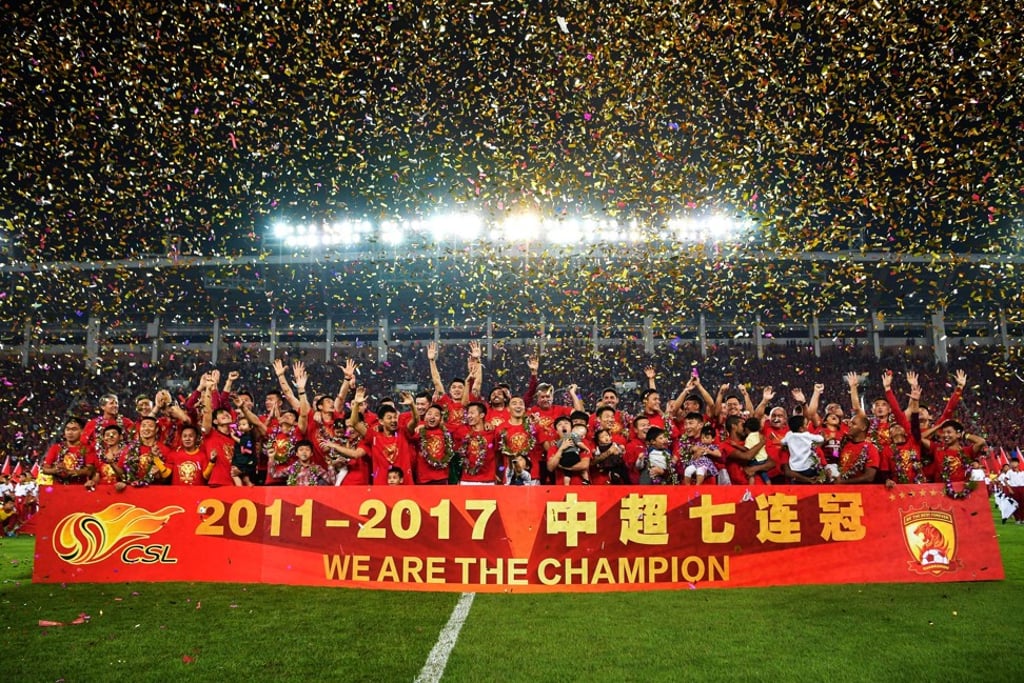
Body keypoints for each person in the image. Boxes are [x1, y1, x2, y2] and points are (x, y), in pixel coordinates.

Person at [456, 402, 501, 485]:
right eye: (468, 413)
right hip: (467, 480)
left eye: (472, 413)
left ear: (481, 415)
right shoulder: (462, 431)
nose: (469, 416)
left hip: (487, 481)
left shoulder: (492, 432)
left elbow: (499, 453)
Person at [42, 417, 94, 486]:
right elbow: (45, 469)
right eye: (67, 429)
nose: (70, 432)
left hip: (79, 489)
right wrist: (56, 470)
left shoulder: (87, 448)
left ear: (82, 432)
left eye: (74, 429)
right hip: (58, 489)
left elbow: (89, 470)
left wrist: (70, 472)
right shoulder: (56, 448)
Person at [780, 415, 825, 484]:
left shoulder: (789, 435)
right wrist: (821, 435)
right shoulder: (806, 435)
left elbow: (782, 442)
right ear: (801, 429)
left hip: (794, 467)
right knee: (821, 472)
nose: (808, 426)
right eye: (806, 424)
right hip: (808, 468)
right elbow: (821, 439)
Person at [547, 416, 592, 485]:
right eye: (559, 424)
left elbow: (584, 465)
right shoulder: (553, 447)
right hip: (562, 487)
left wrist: (563, 467)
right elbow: (550, 468)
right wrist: (561, 449)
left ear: (571, 428)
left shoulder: (582, 442)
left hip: (582, 486)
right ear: (557, 431)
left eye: (566, 423)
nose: (563, 426)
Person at [743, 416, 772, 485]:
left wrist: (736, 446)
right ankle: (770, 487)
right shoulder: (760, 435)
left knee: (751, 473)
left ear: (746, 429)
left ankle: (751, 488)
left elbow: (746, 450)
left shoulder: (749, 437)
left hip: (756, 460)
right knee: (765, 475)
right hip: (764, 459)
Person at [230, 417, 257, 487]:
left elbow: (242, 442)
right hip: (242, 459)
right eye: (239, 425)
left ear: (251, 427)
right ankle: (248, 484)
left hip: (242, 460)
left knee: (234, 473)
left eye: (244, 424)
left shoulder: (248, 436)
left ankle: (240, 487)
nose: (241, 426)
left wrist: (233, 436)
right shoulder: (243, 435)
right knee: (244, 476)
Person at [1002, 458, 1024, 524]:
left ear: (1018, 463)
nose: (1013, 464)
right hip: (1014, 488)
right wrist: (1009, 488)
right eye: (1012, 463)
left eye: (1015, 462)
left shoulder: (1022, 471)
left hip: (1022, 488)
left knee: (1022, 504)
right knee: (1015, 504)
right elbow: (1005, 480)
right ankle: (1017, 519)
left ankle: (1023, 518)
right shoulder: (1010, 472)